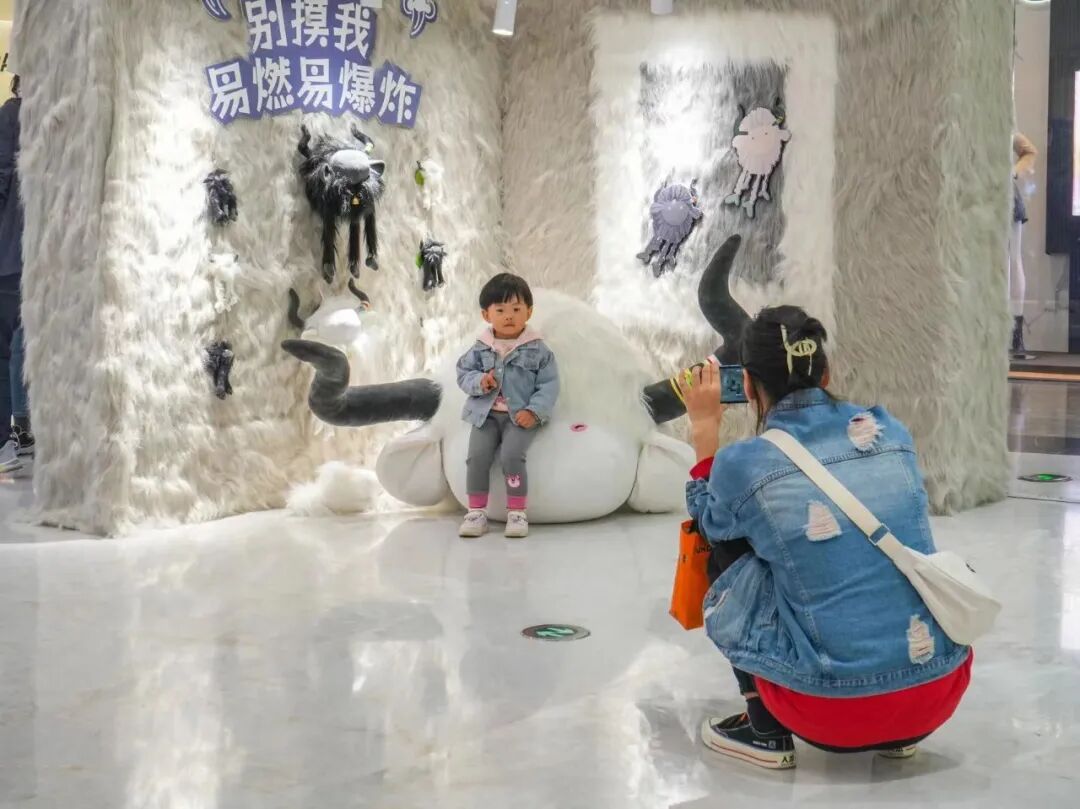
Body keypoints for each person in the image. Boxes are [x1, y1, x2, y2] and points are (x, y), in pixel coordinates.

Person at [680, 306, 971, 770]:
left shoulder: (746, 463)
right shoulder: (890, 431)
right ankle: (897, 734)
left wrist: (703, 429)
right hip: (937, 691)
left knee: (727, 547)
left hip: (829, 712)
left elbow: (708, 521)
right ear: (826, 373)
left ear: (748, 385)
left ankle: (765, 730)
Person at [456, 274, 559, 539]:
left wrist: (534, 411)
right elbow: (463, 374)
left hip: (520, 417)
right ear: (486, 315)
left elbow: (549, 385)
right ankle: (476, 512)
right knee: (476, 458)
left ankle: (517, 512)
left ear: (529, 312)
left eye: (516, 309)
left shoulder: (538, 350)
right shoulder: (480, 348)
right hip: (485, 416)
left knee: (511, 456)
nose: (509, 316)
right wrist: (481, 381)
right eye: (500, 310)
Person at [0, 75, 32, 475]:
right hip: (24, 256)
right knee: (20, 345)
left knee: (10, 348)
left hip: (13, 256)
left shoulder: (12, 117)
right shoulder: (19, 118)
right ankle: (21, 430)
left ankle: (12, 437)